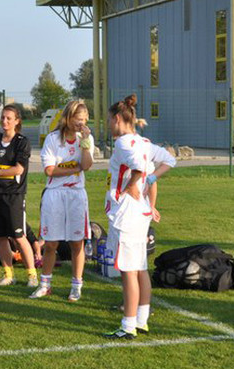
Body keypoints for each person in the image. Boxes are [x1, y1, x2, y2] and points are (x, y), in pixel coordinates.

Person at [103, 94, 167, 339]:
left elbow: (141, 170)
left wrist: (132, 183)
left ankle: (128, 325)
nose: (109, 124)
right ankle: (142, 320)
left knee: (129, 271)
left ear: (118, 118)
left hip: (128, 213)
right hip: (140, 213)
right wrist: (151, 204)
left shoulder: (123, 143)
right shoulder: (142, 142)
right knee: (140, 268)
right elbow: (157, 170)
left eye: (109, 120)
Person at [29, 100, 94, 301]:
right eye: (77, 119)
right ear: (68, 117)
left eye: (84, 120)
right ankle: (45, 284)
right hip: (54, 195)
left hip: (76, 194)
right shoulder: (52, 139)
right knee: (50, 244)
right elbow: (50, 170)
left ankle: (76, 286)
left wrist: (85, 143)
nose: (80, 124)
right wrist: (75, 169)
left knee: (77, 243)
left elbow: (87, 164)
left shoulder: (86, 139)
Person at [0, 105, 37, 287]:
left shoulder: (21, 142)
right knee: (0, 237)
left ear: (17, 121)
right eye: (3, 117)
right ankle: (8, 274)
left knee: (19, 236)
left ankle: (32, 275)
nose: (4, 121)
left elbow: (19, 168)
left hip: (13, 195)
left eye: (9, 118)